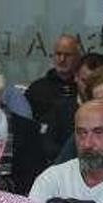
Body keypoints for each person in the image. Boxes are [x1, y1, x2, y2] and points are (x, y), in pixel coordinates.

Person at [25, 34, 81, 162]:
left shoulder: (84, 87)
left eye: (67, 55)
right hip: (42, 154)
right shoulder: (37, 88)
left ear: (78, 57)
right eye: (58, 54)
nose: (62, 59)